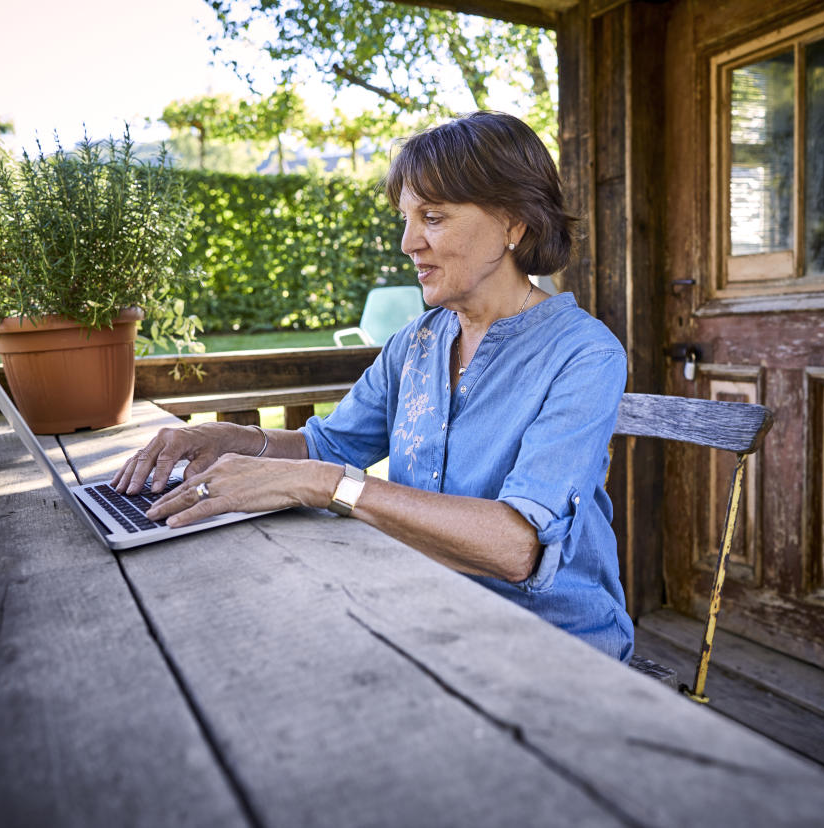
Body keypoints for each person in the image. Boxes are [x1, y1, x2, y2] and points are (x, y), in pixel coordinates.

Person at [112, 111, 634, 661]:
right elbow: (328, 446)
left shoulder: (584, 353)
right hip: (421, 613)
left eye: (432, 217)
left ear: (513, 224)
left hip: (552, 647)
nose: (408, 242)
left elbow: (516, 547)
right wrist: (230, 440)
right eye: (406, 218)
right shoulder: (417, 343)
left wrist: (327, 484)